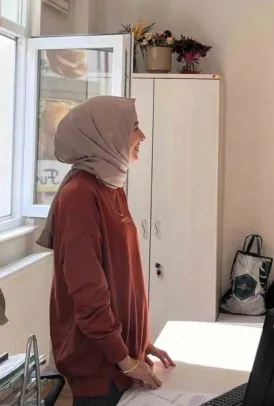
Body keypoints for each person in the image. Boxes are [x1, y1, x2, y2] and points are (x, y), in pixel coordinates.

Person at [36, 96, 176, 406]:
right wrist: (125, 359)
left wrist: (140, 344)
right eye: (134, 127)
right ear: (108, 132)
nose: (142, 136)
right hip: (100, 367)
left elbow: (123, 277)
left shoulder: (110, 186)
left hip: (120, 359)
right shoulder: (79, 195)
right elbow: (89, 295)